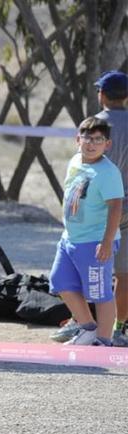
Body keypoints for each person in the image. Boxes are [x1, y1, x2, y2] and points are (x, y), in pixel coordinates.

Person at [50, 117, 123, 347]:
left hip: (95, 241)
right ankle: (88, 329)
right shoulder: (75, 161)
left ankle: (104, 340)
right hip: (70, 238)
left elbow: (116, 207)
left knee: (100, 293)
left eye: (98, 140)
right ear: (77, 140)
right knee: (60, 282)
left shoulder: (108, 172)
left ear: (107, 144)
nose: (92, 144)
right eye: (87, 138)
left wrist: (107, 241)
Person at [94, 71, 128, 347]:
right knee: (125, 273)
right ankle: (117, 328)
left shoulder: (94, 125)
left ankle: (87, 325)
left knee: (91, 265)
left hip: (100, 206)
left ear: (102, 95)